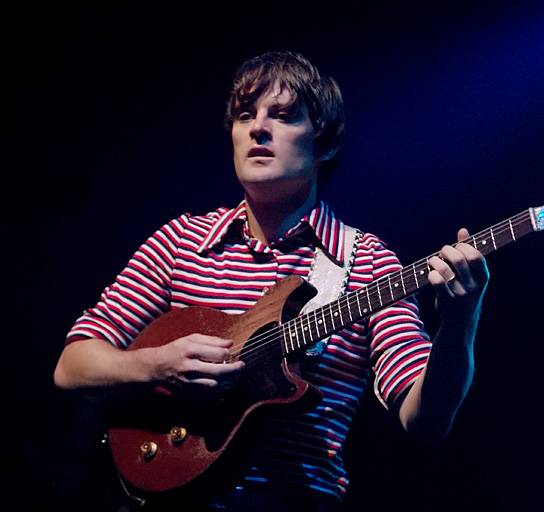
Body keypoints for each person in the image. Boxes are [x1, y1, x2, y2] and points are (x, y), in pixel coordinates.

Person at [54, 51, 489, 511]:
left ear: (324, 144)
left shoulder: (366, 261)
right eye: (245, 116)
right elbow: (73, 365)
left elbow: (426, 421)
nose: (258, 128)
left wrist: (460, 322)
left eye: (282, 117)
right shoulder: (180, 241)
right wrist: (157, 365)